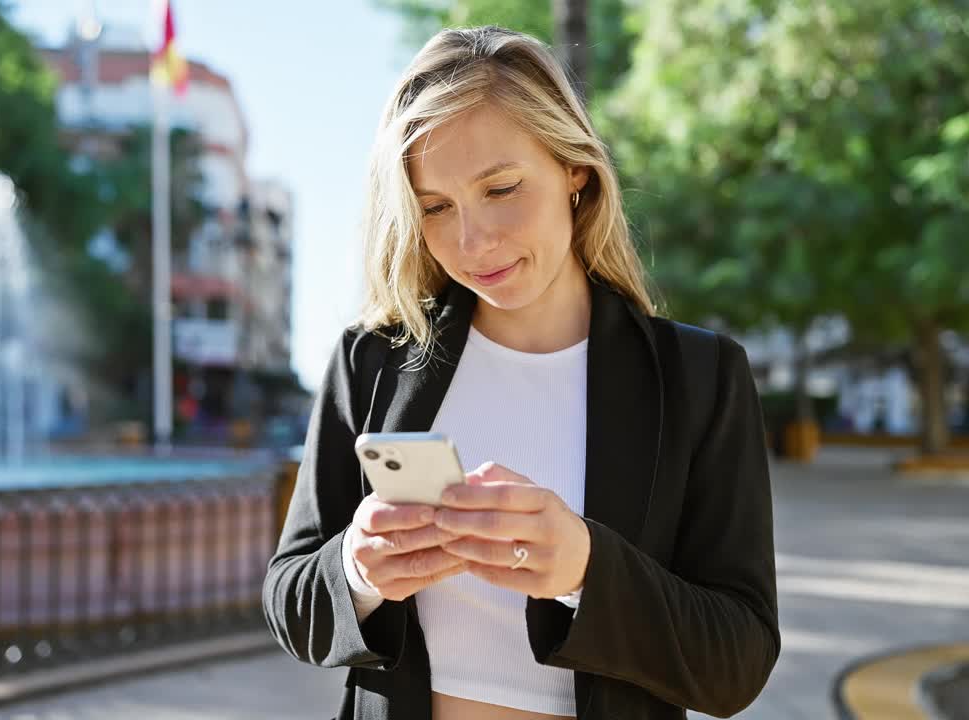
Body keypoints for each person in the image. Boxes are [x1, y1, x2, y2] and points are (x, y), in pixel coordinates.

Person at [263, 25, 779, 720]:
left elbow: (737, 664)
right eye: (435, 208)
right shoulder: (374, 360)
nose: (472, 242)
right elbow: (290, 601)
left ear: (575, 170)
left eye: (501, 188)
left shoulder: (701, 378)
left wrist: (587, 571)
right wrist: (357, 569)